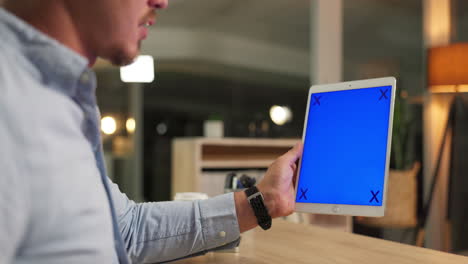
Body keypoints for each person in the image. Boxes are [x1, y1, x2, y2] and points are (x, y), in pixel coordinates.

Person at [0, 0, 303, 263]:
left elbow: (126, 232)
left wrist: (264, 201)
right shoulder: (10, 99)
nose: (161, 2)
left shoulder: (58, 96)